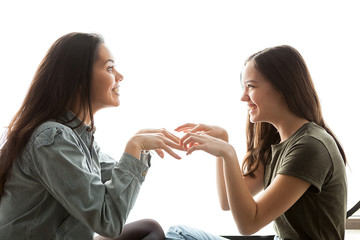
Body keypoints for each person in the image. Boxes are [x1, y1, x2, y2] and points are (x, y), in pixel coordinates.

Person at [0, 32, 182, 240]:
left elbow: (117, 187)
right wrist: (134, 147)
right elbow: (109, 220)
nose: (120, 76)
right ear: (79, 80)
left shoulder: (79, 139)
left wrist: (140, 151)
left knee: (149, 229)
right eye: (110, 68)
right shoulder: (51, 138)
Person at [166, 45, 347, 240]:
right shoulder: (277, 143)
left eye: (251, 86)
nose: (243, 97)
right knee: (177, 232)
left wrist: (228, 153)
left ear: (282, 88)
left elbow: (248, 224)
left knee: (177, 234)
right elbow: (227, 200)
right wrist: (222, 143)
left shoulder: (310, 146)